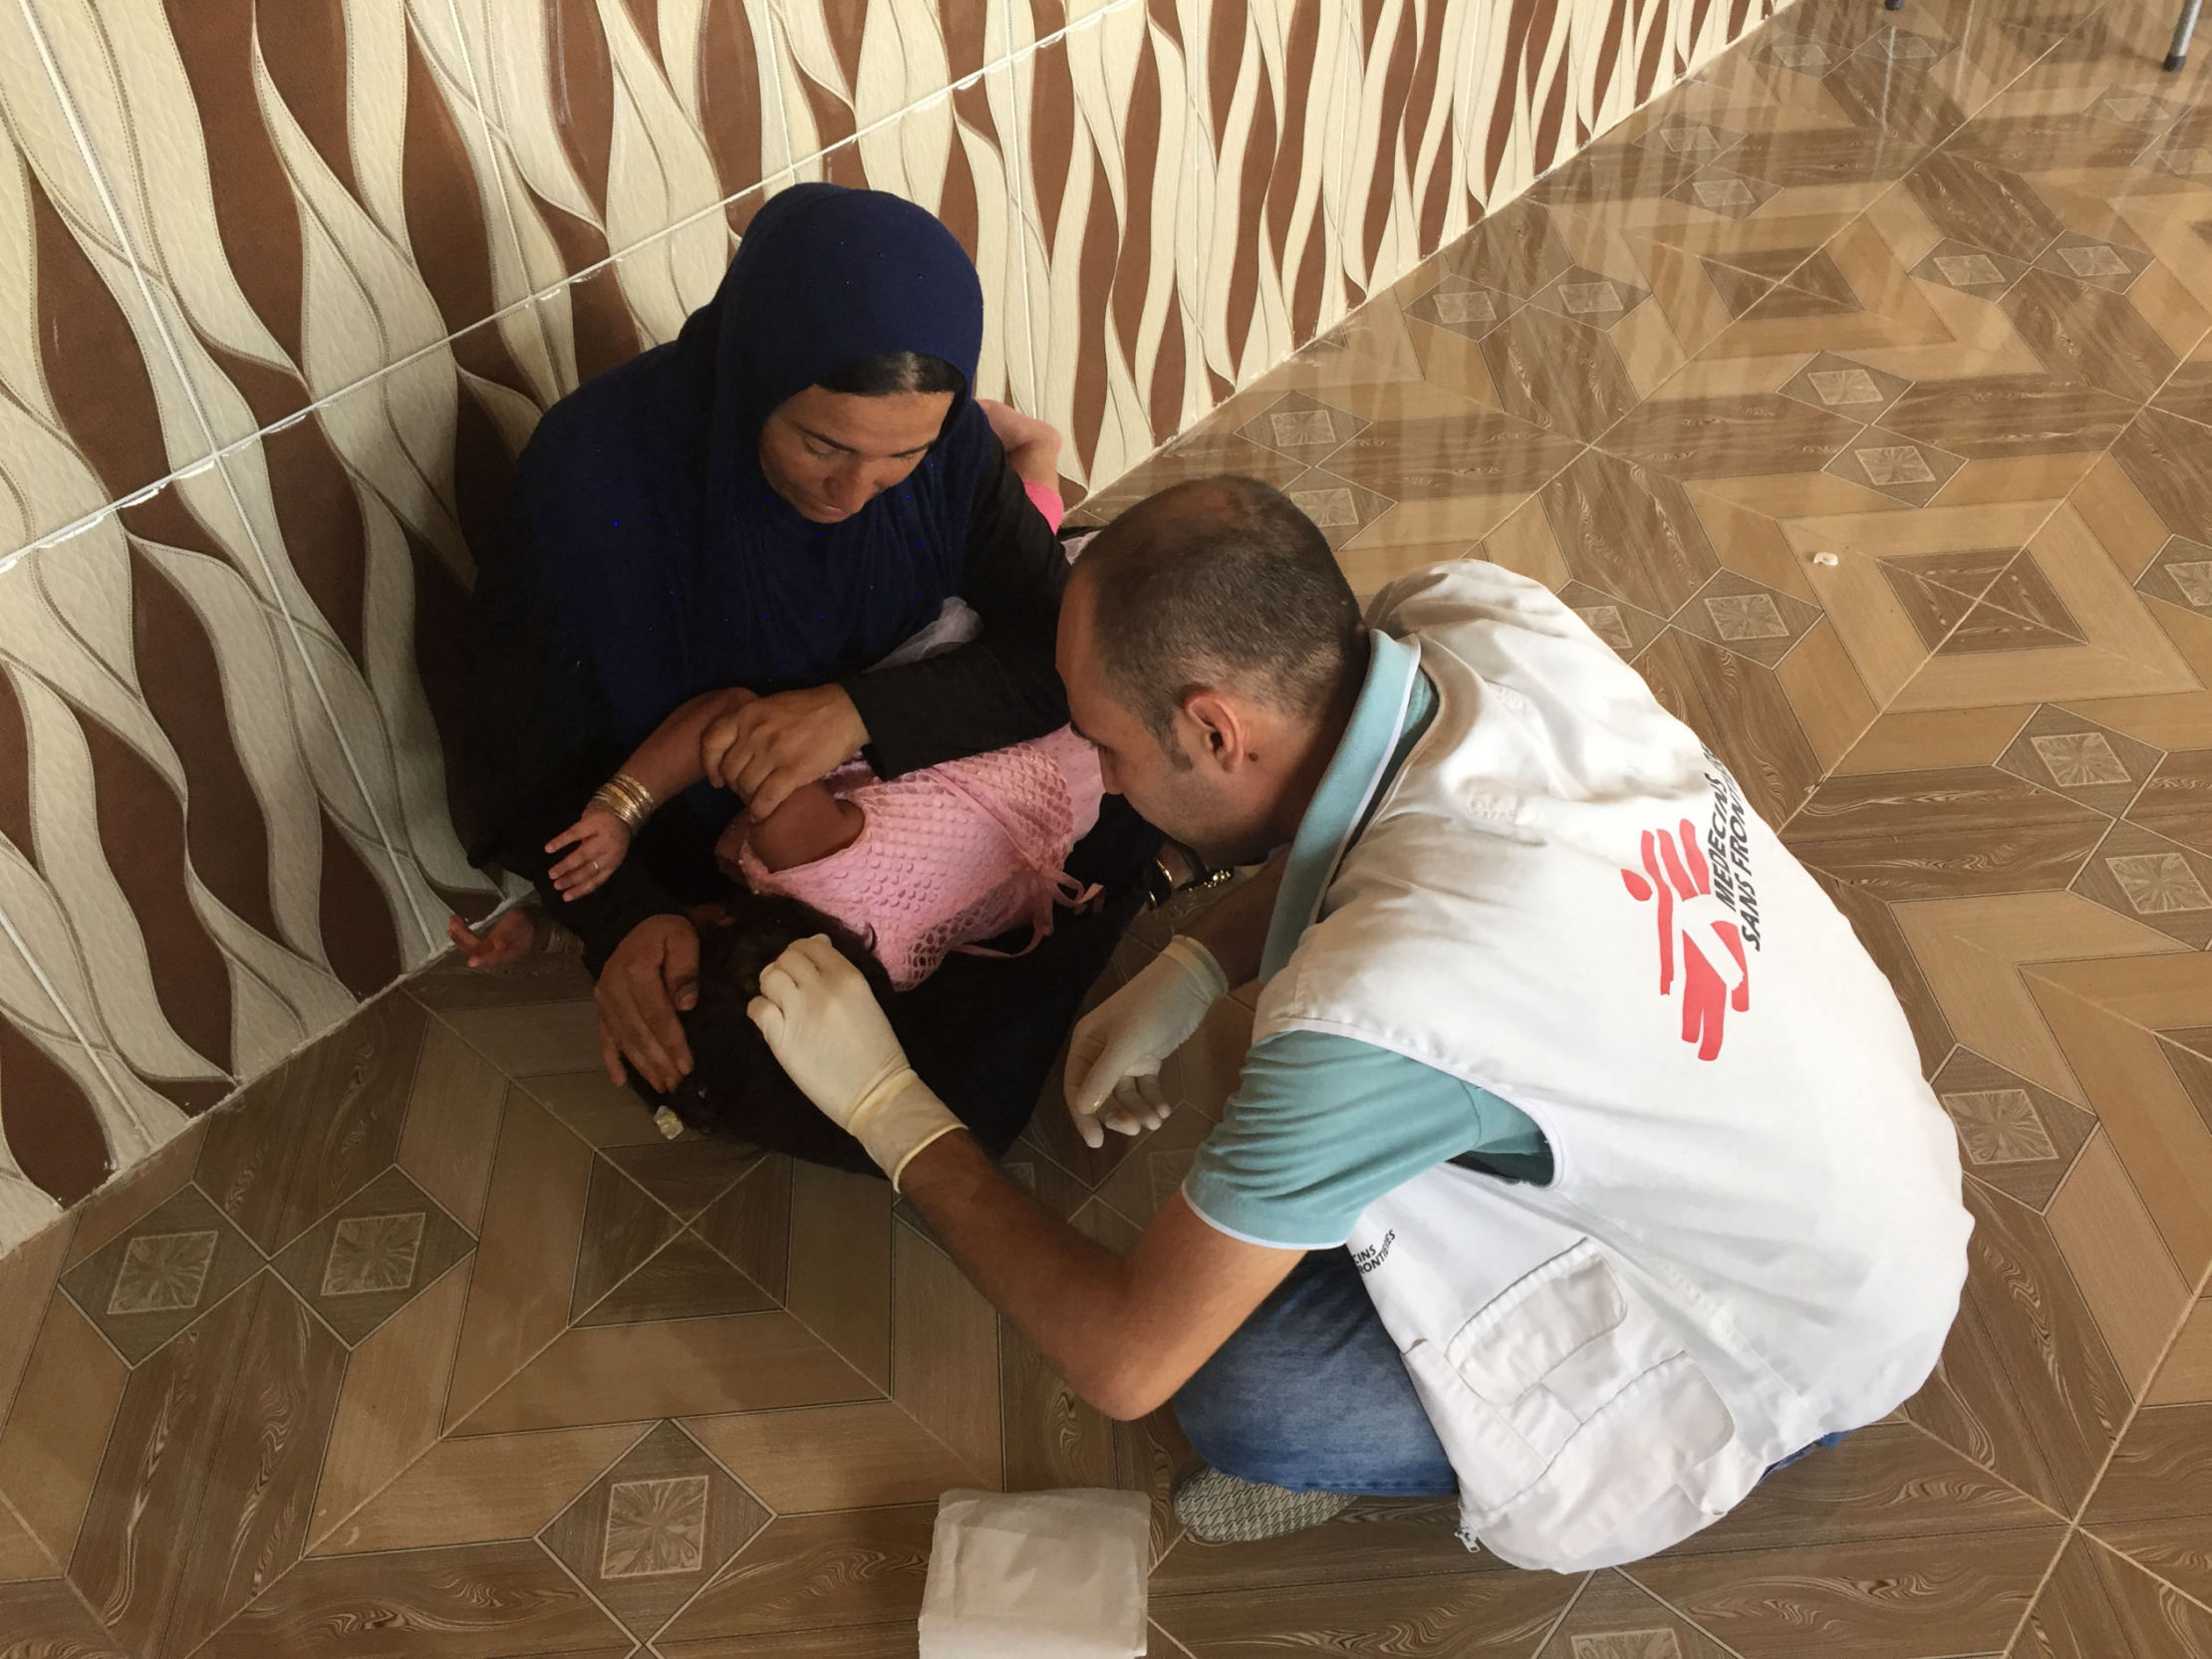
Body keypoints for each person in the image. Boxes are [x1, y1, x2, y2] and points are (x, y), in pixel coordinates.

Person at [741, 475, 1974, 1566]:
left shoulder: (1385, 1008)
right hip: (1856, 1158)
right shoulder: (1475, 616)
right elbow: (1384, 830)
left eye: (1108, 745)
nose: (1099, 779)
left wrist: (892, 1110)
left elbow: (1125, 1362)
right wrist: (1188, 966)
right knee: (1282, 1096)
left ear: (1215, 728)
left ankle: (1636, 1444)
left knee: (1249, 1398)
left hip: (1795, 1326)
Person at [455, 183, 1158, 1171]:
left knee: (1161, 728)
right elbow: (517, 753)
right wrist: (621, 921)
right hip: (717, 836)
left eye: (900, 457)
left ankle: (1074, 900)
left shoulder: (951, 445)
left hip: (924, 764)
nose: (854, 490)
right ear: (749, 375)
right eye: (820, 443)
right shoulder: (594, 481)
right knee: (834, 1071)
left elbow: (1054, 646)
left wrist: (855, 712)